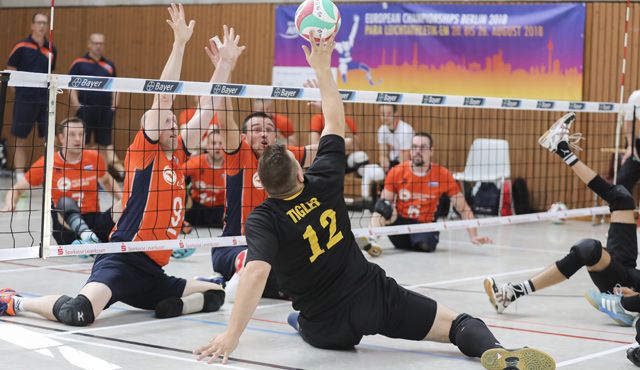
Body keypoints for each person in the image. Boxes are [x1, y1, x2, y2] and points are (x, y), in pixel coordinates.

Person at [194, 32, 555, 370]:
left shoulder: (262, 217)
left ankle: (299, 321)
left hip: (326, 324)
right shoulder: (325, 180)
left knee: (301, 320)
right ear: (301, 172)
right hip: (371, 296)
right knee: (459, 323)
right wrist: (322, 66)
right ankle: (498, 352)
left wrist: (232, 334)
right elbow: (334, 118)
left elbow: (256, 272)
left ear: (261, 182)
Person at [0, 4, 226, 325]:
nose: (174, 125)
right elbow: (163, 98)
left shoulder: (179, 155)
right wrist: (179, 44)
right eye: (167, 121)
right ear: (153, 126)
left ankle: (170, 304)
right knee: (79, 313)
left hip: (153, 270)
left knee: (216, 294)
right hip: (121, 260)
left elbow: (208, 106)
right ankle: (16, 302)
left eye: (176, 123)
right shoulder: (145, 152)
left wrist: (226, 65)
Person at [484, 113, 640, 326]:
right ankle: (562, 149)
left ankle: (513, 293)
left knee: (588, 249)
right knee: (621, 198)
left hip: (626, 286)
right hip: (629, 269)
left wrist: (634, 300)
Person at [207, 38, 318, 299]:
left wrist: (321, 112)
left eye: (269, 130)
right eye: (257, 130)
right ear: (245, 136)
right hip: (232, 247)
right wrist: (227, 66)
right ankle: (233, 283)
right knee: (264, 262)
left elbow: (324, 148)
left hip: (272, 249)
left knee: (303, 267)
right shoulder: (239, 153)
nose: (265, 135)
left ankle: (225, 285)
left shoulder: (284, 157)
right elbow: (225, 117)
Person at [362, 132, 492, 253]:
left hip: (423, 227)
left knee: (425, 245)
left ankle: (419, 241)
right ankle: (372, 240)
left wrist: (474, 235)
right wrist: (379, 217)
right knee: (383, 205)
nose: (418, 151)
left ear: (431, 151)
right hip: (399, 228)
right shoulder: (397, 171)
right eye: (414, 147)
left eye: (423, 147)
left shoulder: (443, 175)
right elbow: (383, 204)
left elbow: (463, 208)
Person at [1, 117, 121, 245]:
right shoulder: (48, 163)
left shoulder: (93, 158)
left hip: (94, 221)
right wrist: (10, 203)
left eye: (81, 134)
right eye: (72, 134)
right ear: (61, 138)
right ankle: (87, 237)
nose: (77, 139)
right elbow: (16, 189)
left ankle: (90, 242)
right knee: (64, 202)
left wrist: (123, 200)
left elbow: (107, 181)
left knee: (124, 206)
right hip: (66, 229)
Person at [6, 12, 58, 181]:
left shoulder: (51, 49)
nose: (42, 26)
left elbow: (52, 73)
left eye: (45, 22)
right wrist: (19, 93)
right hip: (25, 100)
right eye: (39, 22)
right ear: (32, 25)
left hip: (44, 101)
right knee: (20, 139)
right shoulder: (21, 46)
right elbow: (10, 71)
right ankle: (20, 176)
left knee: (50, 139)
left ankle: (49, 174)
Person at [69, 33, 125, 182]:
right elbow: (71, 85)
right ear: (89, 44)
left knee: (104, 145)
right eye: (96, 43)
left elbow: (116, 86)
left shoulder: (109, 65)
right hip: (85, 110)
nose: (99, 46)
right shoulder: (79, 63)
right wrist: (77, 105)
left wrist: (113, 106)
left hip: (105, 111)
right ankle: (83, 175)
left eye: (101, 43)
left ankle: (101, 178)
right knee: (84, 143)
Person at [308, 98, 384, 201]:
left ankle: (366, 199)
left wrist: (342, 122)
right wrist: (339, 146)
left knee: (362, 156)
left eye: (341, 106)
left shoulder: (348, 122)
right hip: (326, 159)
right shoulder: (318, 119)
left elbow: (356, 147)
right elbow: (315, 145)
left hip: (344, 159)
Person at [182, 128, 225, 231]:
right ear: (207, 146)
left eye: (221, 143)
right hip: (197, 207)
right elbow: (177, 175)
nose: (217, 147)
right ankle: (181, 222)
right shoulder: (196, 162)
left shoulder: (232, 164)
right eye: (213, 143)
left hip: (220, 209)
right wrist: (185, 196)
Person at [335, 14, 379, 86]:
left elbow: (353, 32)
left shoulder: (350, 42)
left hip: (351, 62)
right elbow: (328, 43)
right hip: (344, 64)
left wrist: (357, 21)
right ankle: (344, 80)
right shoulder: (339, 46)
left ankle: (370, 80)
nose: (347, 47)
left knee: (367, 68)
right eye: (345, 46)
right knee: (342, 67)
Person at [377, 104, 413, 172]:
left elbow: (404, 160)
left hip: (408, 165)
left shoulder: (405, 130)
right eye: (382, 114)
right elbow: (382, 154)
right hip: (392, 162)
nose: (385, 117)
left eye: (389, 113)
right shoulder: (382, 129)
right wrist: (384, 162)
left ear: (396, 113)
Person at [617, 90, 640, 194]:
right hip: (637, 147)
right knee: (623, 181)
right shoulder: (636, 96)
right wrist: (631, 146)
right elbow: (629, 122)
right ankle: (623, 209)